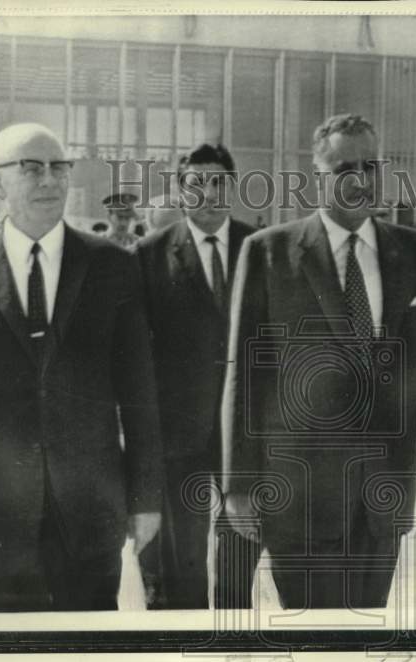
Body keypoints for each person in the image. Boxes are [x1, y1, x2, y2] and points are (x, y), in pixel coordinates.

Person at [0, 123, 163, 612]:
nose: (49, 181)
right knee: (10, 651)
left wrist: (146, 497)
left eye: (58, 168)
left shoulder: (113, 266)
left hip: (90, 512)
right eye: (31, 169)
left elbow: (139, 391)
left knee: (90, 654)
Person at [222, 113, 416, 609]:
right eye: (345, 168)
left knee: (367, 629)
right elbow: (244, 375)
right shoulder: (268, 253)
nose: (361, 179)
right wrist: (238, 484)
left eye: (371, 166)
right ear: (318, 175)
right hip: (299, 494)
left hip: (384, 491)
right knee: (313, 633)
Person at [135, 143, 260, 610]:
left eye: (219, 183)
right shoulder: (148, 256)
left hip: (243, 434)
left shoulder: (261, 247)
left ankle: (231, 649)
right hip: (174, 435)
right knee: (178, 567)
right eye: (196, 183)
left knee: (238, 565)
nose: (208, 193)